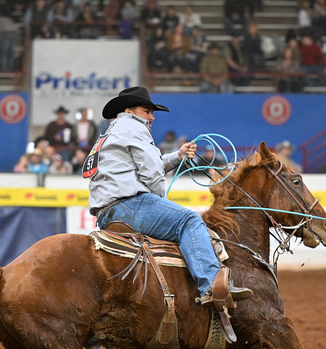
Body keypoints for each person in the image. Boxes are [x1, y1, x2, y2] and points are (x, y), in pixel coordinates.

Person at [85, 86, 252, 311]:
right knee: (189, 220)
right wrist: (160, 201)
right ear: (129, 110)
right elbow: (152, 173)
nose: (152, 117)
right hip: (130, 205)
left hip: (107, 213)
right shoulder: (134, 127)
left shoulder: (110, 133)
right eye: (147, 111)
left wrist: (178, 156)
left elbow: (142, 165)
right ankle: (211, 285)